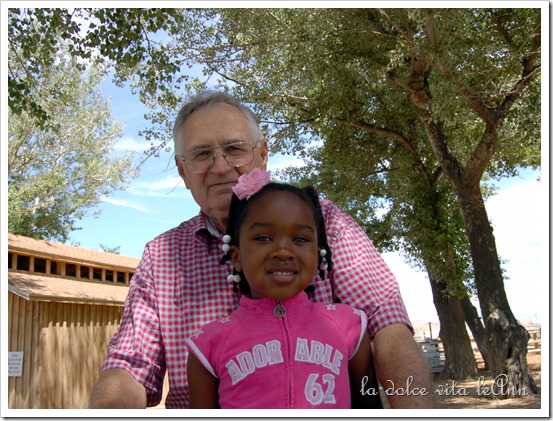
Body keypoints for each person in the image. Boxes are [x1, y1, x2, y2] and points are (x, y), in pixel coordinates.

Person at [89, 90, 433, 409]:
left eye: (235, 149)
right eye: (201, 155)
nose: (221, 166)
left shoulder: (324, 222)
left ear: (263, 155)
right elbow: (129, 367)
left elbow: (387, 327)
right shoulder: (161, 256)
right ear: (182, 170)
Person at [186, 169, 375, 408]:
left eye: (300, 239)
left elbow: (368, 403)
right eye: (264, 238)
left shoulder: (350, 327)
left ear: (318, 255)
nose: (284, 251)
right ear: (236, 257)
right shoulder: (207, 346)